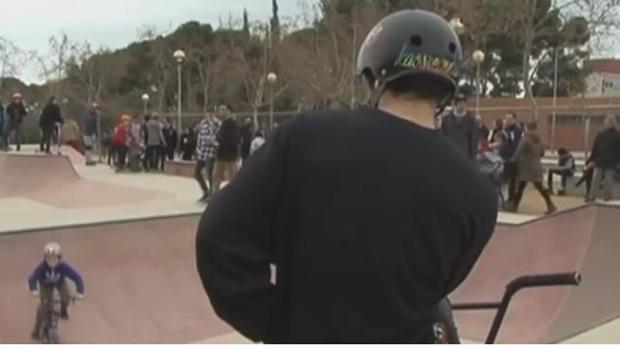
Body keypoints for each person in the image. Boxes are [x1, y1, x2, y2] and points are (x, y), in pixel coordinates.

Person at [196, 10, 497, 344]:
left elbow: (219, 239)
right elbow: (442, 283)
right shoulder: (479, 194)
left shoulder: (304, 137)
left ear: (374, 76)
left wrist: (276, 325)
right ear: (447, 92)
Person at [28, 242, 85, 340]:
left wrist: (80, 292)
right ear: (45, 259)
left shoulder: (63, 266)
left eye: (55, 259)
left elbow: (77, 277)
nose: (52, 262)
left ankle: (63, 310)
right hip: (45, 285)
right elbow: (32, 278)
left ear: (59, 258)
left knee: (66, 297)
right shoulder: (42, 267)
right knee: (43, 306)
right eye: (49, 259)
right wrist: (33, 290)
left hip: (59, 282)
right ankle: (36, 330)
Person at [505, 122, 556, 214]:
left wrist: (512, 160)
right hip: (536, 166)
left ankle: (514, 206)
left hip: (526, 167)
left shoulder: (526, 139)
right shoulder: (539, 139)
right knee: (539, 186)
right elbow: (542, 153)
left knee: (520, 187)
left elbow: (518, 151)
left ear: (527, 128)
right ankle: (550, 204)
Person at [586, 115, 620, 202]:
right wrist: (591, 160)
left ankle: (607, 197)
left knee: (609, 182)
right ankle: (591, 197)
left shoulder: (617, 135)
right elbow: (595, 148)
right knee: (595, 181)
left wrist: (618, 162)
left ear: (613, 124)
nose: (607, 124)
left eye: (609, 122)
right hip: (600, 162)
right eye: (606, 122)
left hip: (611, 163)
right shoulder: (600, 135)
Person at [210, 116, 241, 197]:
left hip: (227, 156)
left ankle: (217, 197)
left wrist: (216, 142)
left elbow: (234, 141)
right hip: (225, 155)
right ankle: (216, 197)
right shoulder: (224, 125)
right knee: (219, 179)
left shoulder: (230, 125)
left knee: (223, 179)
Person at [440, 93, 478, 160]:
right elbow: (443, 137)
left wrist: (472, 157)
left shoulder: (470, 120)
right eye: (459, 103)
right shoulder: (447, 119)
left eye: (463, 103)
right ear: (455, 104)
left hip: (465, 155)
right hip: (450, 154)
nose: (462, 105)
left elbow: (473, 139)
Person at [194, 113, 220, 202]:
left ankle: (212, 194)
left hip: (211, 153)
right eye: (208, 114)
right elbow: (200, 137)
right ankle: (206, 192)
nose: (209, 116)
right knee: (196, 173)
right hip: (202, 152)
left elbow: (218, 138)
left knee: (210, 174)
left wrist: (214, 142)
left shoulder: (217, 124)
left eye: (211, 114)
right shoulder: (203, 123)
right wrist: (198, 148)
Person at [500, 113, 524, 204]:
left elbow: (515, 144)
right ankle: (510, 198)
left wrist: (512, 156)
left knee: (512, 180)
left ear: (514, 120)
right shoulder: (507, 130)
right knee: (510, 180)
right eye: (506, 118)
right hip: (507, 158)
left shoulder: (515, 130)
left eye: (509, 119)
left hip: (512, 160)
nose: (507, 120)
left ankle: (512, 199)